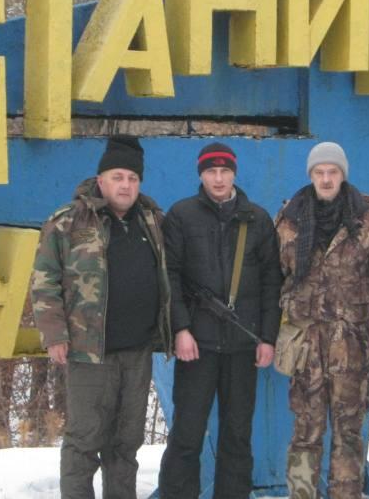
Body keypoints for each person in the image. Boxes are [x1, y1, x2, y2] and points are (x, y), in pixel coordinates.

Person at [30, 135, 172, 499]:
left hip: (137, 351)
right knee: (84, 441)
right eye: (118, 177)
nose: (126, 185)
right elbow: (44, 281)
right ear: (101, 180)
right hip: (88, 351)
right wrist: (54, 334)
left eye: (133, 178)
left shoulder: (153, 221)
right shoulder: (68, 221)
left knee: (125, 443)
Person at [158, 142, 283, 499]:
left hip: (243, 345)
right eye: (211, 171)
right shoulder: (181, 215)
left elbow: (272, 282)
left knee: (237, 435)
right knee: (187, 433)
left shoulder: (257, 219)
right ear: (201, 175)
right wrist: (180, 328)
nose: (218, 178)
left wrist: (267, 337)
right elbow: (169, 277)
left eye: (224, 171)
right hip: (196, 345)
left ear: (234, 174)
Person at [276, 142, 369, 499]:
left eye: (333, 172)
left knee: (348, 432)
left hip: (351, 344)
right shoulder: (289, 219)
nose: (326, 179)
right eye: (319, 172)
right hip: (305, 345)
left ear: (343, 175)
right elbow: (275, 275)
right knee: (305, 431)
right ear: (310, 175)